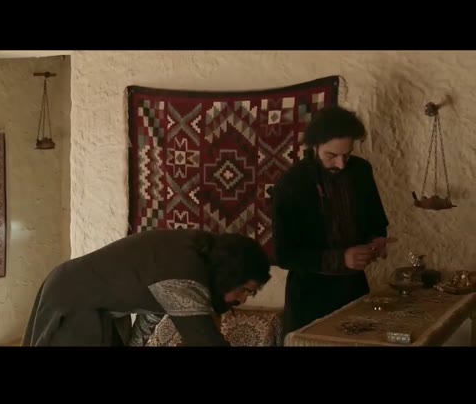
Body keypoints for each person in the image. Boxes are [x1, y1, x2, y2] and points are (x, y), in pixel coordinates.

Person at [21, 229, 272, 346]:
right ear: (231, 274)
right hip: (74, 297)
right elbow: (205, 340)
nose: (243, 299)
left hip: (89, 300)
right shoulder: (185, 273)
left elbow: (150, 310)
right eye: (246, 289)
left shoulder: (194, 260)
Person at [270, 106, 392, 338]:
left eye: (347, 155)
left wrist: (377, 239)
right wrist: (341, 258)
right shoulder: (291, 184)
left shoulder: (361, 171)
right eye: (331, 156)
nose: (341, 164)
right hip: (309, 298)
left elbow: (376, 220)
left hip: (354, 290)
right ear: (314, 146)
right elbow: (284, 255)